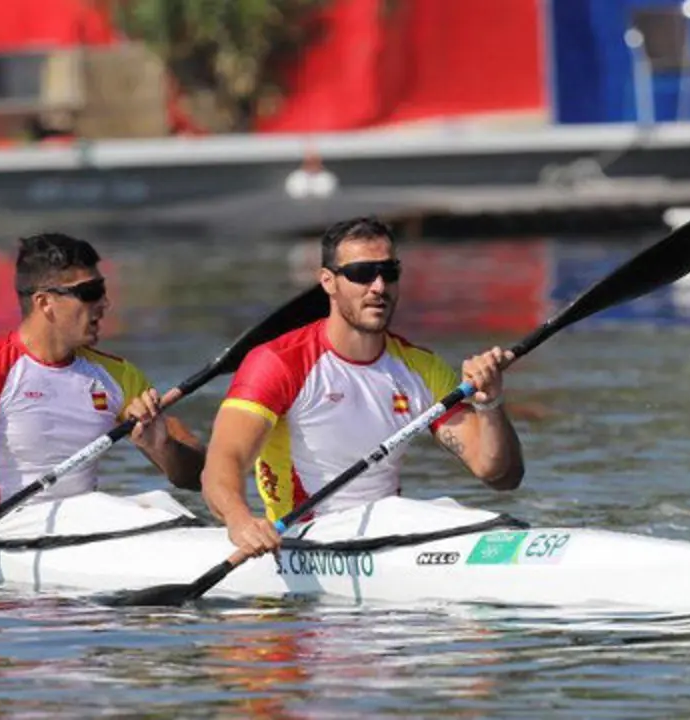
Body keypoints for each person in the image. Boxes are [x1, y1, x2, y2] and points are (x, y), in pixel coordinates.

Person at [201, 216, 524, 559]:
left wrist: (490, 404)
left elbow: (499, 474)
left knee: (453, 510)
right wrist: (240, 522)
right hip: (305, 537)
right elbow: (223, 462)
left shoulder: (422, 368)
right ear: (328, 282)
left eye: (389, 272)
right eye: (362, 273)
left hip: (388, 533)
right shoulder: (278, 362)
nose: (379, 287)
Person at [0, 232, 206, 568]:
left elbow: (197, 477)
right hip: (0, 530)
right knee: (139, 510)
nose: (104, 304)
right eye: (89, 293)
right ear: (45, 303)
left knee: (163, 503)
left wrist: (162, 447)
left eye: (102, 290)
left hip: (83, 527)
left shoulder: (118, 376)